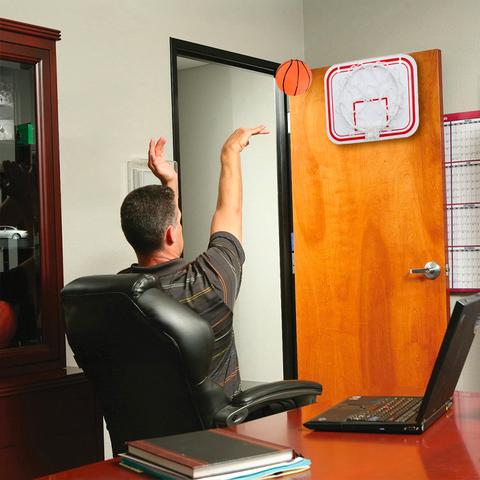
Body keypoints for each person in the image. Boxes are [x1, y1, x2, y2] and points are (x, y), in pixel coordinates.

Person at [119, 125, 269, 396]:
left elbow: (167, 228)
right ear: (170, 232)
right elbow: (229, 211)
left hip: (146, 436)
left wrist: (170, 184)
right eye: (178, 221)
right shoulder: (209, 281)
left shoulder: (117, 295)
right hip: (214, 435)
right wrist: (230, 151)